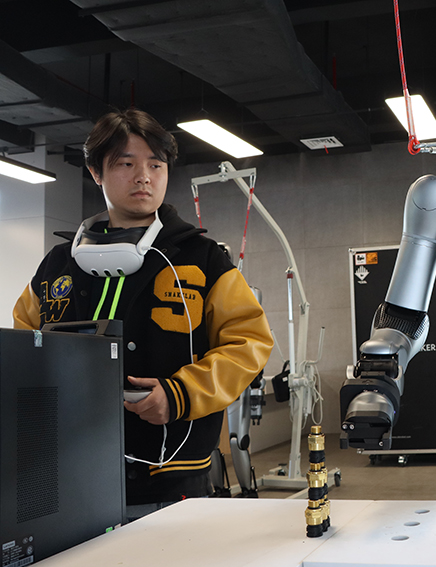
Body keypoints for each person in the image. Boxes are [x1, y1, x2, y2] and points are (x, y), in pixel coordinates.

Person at [12, 108, 273, 512]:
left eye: (155, 164)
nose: (144, 177)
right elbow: (21, 346)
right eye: (126, 164)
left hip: (172, 475)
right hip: (71, 471)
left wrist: (181, 394)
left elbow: (249, 344)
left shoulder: (202, 259)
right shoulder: (57, 265)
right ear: (96, 172)